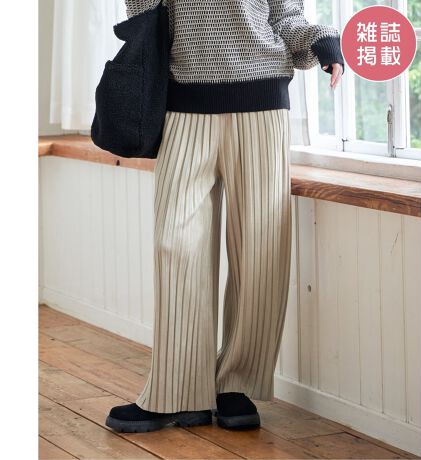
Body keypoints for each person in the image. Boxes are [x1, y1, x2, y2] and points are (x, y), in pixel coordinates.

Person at [106, 0, 344, 433]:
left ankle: (237, 383)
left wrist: (322, 42)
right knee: (174, 243)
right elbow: (144, 12)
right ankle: (177, 391)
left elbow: (286, 17)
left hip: (262, 104)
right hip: (183, 106)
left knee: (260, 245)